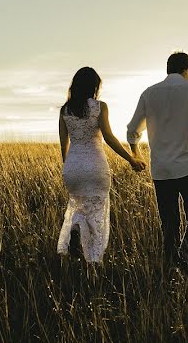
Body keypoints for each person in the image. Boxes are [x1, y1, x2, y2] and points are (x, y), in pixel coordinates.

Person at [127, 52, 188, 271]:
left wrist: (136, 154)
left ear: (168, 69)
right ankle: (184, 261)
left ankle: (171, 265)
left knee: (169, 225)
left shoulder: (148, 94)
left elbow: (132, 130)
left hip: (161, 171)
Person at [57, 67, 146, 264]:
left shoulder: (66, 110)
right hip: (95, 167)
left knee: (78, 208)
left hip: (73, 167)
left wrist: (68, 166)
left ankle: (76, 228)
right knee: (96, 215)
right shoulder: (99, 107)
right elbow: (109, 138)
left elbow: (64, 142)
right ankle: (94, 263)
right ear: (95, 86)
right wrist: (131, 158)